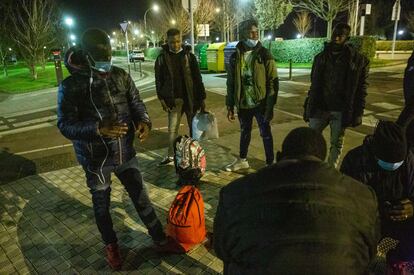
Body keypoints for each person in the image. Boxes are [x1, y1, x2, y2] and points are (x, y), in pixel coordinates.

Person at [57, 29, 178, 270]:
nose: (107, 60)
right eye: (101, 56)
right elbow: (65, 125)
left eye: (109, 54)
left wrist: (144, 122)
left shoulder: (121, 75)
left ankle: (159, 239)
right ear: (87, 56)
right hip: (96, 160)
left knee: (141, 198)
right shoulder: (70, 86)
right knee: (102, 206)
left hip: (125, 153)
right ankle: (111, 246)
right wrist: (98, 128)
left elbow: (136, 103)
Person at [214, 127, 380, 274]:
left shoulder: (235, 193)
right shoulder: (363, 197)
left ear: (279, 157)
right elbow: (369, 256)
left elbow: (222, 249)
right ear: (323, 160)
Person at [340, 121, 414, 266]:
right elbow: (345, 204)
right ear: (375, 154)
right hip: (365, 225)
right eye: (388, 162)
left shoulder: (409, 161)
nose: (393, 167)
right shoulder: (355, 160)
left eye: (398, 163)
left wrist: (412, 207)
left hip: (399, 224)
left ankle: (400, 262)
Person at [304, 23, 369, 168]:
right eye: (335, 33)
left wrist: (358, 112)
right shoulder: (320, 58)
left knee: (336, 144)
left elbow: (361, 89)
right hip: (320, 107)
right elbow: (314, 85)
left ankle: (330, 171)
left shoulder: (358, 61)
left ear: (348, 38)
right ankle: (310, 168)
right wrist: (308, 107)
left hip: (340, 110)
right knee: (310, 139)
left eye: (341, 34)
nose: (337, 37)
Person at [225, 19, 279, 171]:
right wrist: (229, 105)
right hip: (243, 103)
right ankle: (242, 160)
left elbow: (272, 81)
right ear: (243, 34)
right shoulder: (235, 56)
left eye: (256, 32)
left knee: (265, 133)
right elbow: (231, 83)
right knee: (244, 132)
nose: (255, 35)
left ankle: (270, 164)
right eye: (251, 32)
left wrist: (270, 105)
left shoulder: (264, 53)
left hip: (260, 102)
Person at [155, 28, 206, 166]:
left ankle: (195, 155)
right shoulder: (161, 58)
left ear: (181, 40)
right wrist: (161, 99)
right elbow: (158, 80)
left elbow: (197, 78)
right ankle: (170, 156)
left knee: (193, 129)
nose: (175, 45)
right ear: (167, 41)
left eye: (178, 41)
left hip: (191, 99)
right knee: (172, 130)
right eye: (172, 42)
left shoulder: (189, 56)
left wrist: (202, 99)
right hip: (173, 100)